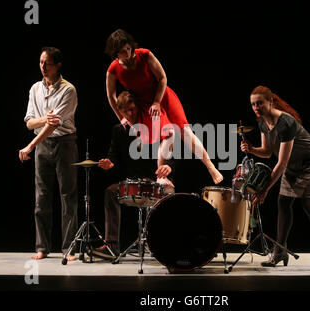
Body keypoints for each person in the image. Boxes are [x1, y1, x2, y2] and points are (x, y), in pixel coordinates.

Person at [104, 29, 223, 184]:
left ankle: (210, 166)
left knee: (184, 132)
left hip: (162, 96)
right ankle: (161, 174)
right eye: (122, 52)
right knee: (167, 134)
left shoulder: (144, 55)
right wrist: (122, 118)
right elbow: (111, 96)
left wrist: (157, 102)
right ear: (115, 53)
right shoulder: (113, 69)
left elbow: (162, 78)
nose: (127, 54)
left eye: (128, 49)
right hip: (144, 104)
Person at [240, 85, 310, 271]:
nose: (256, 107)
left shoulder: (286, 123)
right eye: (253, 104)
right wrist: (251, 149)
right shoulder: (262, 122)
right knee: (283, 202)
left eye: (260, 103)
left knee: (309, 204)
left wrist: (264, 188)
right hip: (293, 164)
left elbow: (281, 163)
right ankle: (280, 250)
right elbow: (267, 152)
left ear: (271, 101)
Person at [92, 91, 175, 259]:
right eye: (126, 111)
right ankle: (112, 245)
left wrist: (168, 168)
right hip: (131, 183)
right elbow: (113, 157)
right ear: (120, 112)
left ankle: (165, 245)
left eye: (132, 109)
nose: (130, 114)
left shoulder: (154, 126)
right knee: (110, 192)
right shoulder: (119, 130)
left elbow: (171, 152)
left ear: (137, 107)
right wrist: (109, 165)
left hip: (155, 181)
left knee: (170, 194)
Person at [19, 47, 78, 261]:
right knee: (42, 196)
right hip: (43, 146)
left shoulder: (68, 90)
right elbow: (29, 122)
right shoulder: (35, 89)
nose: (43, 67)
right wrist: (45, 119)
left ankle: (68, 248)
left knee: (67, 195)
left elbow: (54, 126)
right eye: (41, 62)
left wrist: (30, 146)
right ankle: (42, 247)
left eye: (48, 63)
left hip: (64, 143)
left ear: (58, 65)